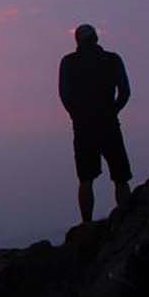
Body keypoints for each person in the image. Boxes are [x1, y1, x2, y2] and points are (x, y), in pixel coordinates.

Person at [59, 24, 132, 223]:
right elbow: (124, 92)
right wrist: (113, 110)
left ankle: (87, 224)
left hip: (83, 127)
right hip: (109, 124)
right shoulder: (112, 60)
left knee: (85, 178)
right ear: (96, 39)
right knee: (120, 176)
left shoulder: (69, 62)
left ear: (77, 41)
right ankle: (125, 221)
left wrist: (77, 115)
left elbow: (65, 96)